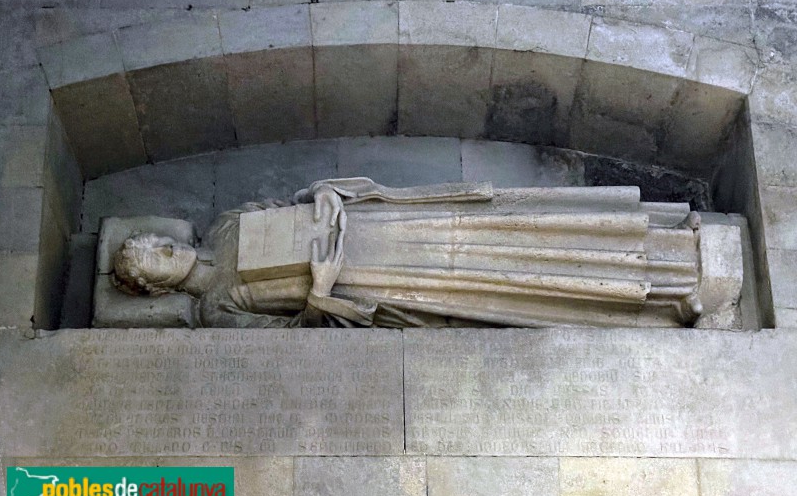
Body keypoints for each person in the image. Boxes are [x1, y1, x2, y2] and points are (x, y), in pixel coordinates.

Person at [113, 178, 709, 329]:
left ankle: (666, 243)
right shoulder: (218, 312)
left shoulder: (223, 224)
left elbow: (291, 199)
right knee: (490, 281)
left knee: (500, 230)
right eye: (153, 260)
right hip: (371, 278)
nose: (165, 249)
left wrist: (322, 193)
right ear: (157, 287)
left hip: (380, 222)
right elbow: (296, 331)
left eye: (157, 243)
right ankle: (670, 294)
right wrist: (321, 292)